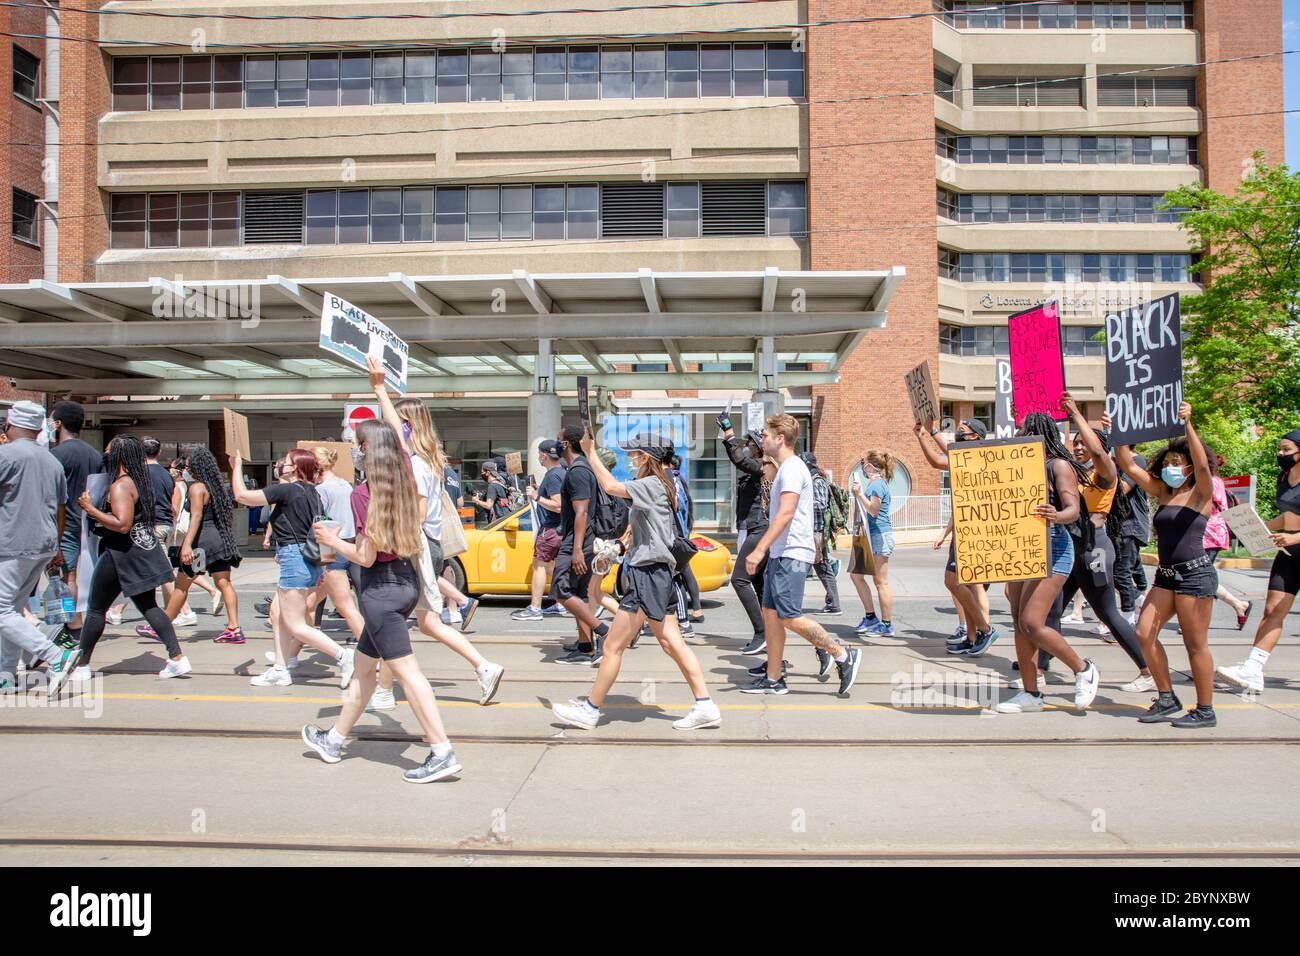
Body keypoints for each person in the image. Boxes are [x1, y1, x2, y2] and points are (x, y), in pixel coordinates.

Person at [304, 419, 462, 783]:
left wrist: (332, 539)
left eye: (358, 444)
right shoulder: (406, 483)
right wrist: (381, 393)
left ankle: (442, 751)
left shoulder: (364, 494)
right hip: (405, 584)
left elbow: (365, 557)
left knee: (408, 673)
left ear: (368, 451)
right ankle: (334, 740)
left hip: (380, 592)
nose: (355, 450)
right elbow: (403, 447)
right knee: (363, 671)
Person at [552, 433, 720, 730]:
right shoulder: (659, 484)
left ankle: (590, 709)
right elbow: (642, 527)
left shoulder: (653, 484)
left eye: (635, 453)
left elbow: (610, 486)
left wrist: (590, 453)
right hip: (656, 573)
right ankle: (705, 704)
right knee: (671, 643)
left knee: (612, 646)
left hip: (648, 575)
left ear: (647, 457)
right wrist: (619, 547)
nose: (630, 458)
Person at [367, 358, 502, 707]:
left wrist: (380, 388)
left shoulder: (415, 464)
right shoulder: (426, 460)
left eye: (399, 425)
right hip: (426, 546)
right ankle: (386, 688)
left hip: (419, 547)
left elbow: (421, 509)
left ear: (409, 427)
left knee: (392, 618)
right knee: (415, 621)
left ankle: (385, 690)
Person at [1036, 395, 1153, 693]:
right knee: (1051, 610)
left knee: (1107, 613)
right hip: (1070, 549)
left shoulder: (1105, 473)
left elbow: (1100, 452)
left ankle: (1148, 670)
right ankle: (1039, 667)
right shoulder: (1074, 472)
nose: (1078, 447)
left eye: (1083, 443)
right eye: (1075, 443)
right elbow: (1053, 450)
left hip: (1093, 549)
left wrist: (1076, 413)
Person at [741, 415, 862, 696]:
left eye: (766, 435)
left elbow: (785, 513)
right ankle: (774, 678)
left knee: (788, 617)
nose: (762, 440)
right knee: (771, 615)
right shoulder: (785, 468)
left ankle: (842, 654)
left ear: (780, 438)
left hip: (792, 554)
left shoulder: (793, 468)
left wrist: (759, 550)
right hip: (781, 553)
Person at [1115, 401, 1218, 727]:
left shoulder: (1200, 493)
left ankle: (1205, 710)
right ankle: (1166, 697)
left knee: (1194, 644)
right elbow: (1127, 464)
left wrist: (1188, 424)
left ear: (1188, 467)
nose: (1172, 466)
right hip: (1166, 576)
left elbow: (1203, 467)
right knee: (1144, 632)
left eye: (1178, 462)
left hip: (1195, 576)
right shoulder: (1162, 491)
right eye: (1168, 462)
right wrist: (1119, 430)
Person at [993, 411, 1100, 716]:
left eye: (1022, 429)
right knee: (1019, 622)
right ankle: (1031, 693)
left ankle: (1083, 668)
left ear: (1036, 433)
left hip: (1053, 546)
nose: (1017, 433)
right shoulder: (1016, 466)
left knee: (1032, 622)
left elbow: (1073, 509)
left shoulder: (1058, 465)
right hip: (1020, 546)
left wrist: (1056, 514)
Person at [233, 448, 356, 689]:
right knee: (277, 614)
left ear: (296, 468)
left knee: (295, 624)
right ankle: (280, 668)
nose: (281, 465)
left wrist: (237, 465)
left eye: (286, 462)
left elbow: (242, 496)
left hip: (294, 557)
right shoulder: (313, 492)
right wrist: (322, 567)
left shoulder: (287, 490)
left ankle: (343, 656)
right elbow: (323, 528)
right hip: (309, 559)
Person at [74, 435, 192, 681]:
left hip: (120, 553)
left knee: (96, 609)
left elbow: (122, 523)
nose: (105, 454)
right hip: (140, 550)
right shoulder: (141, 480)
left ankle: (81, 666)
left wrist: (90, 508)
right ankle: (177, 658)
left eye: (108, 450)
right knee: (149, 606)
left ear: (118, 455)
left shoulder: (121, 485)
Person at [0, 401, 80, 694]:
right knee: (11, 609)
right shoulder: (51, 461)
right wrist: (55, 545)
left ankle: (56, 656)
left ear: (9, 425)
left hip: (12, 543)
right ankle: (6, 675)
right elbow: (60, 510)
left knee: (1, 610)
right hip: (43, 545)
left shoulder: (5, 456)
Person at [1216, 428, 1300, 694]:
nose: (1280, 454)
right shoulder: (1284, 477)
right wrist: (1253, 527)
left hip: (1294, 543)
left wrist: (1295, 537)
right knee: (1272, 610)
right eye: (1279, 448)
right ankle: (1253, 669)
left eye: (1286, 449)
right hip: (1290, 555)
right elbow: (1288, 517)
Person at [137, 447, 245, 644]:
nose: (186, 470)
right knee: (224, 584)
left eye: (188, 467)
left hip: (201, 543)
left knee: (181, 586)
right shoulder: (217, 487)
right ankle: (234, 628)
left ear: (196, 467)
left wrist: (186, 545)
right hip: (219, 540)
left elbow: (196, 517)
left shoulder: (197, 488)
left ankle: (161, 628)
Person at [914, 418, 1000, 655]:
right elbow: (944, 455)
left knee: (954, 582)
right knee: (966, 585)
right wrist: (926, 434)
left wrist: (928, 434)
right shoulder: (965, 457)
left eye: (962, 431)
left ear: (975, 437)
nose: (958, 435)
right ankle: (971, 638)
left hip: (976, 531)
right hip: (965, 528)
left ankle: (985, 630)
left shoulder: (977, 458)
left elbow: (939, 459)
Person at [551, 424, 614, 664]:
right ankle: (586, 646)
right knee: (579, 593)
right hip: (583, 539)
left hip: (578, 541)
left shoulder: (578, 471)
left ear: (566, 444)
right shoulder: (581, 468)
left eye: (558, 439)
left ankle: (604, 631)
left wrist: (576, 549)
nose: (556, 443)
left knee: (561, 590)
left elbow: (582, 512)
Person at [48, 400, 102, 637]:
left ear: (58, 423)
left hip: (64, 525)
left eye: (51, 420)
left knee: (67, 576)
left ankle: (72, 625)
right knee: (80, 576)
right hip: (88, 524)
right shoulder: (94, 454)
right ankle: (73, 622)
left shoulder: (56, 455)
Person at [722, 425, 771, 653]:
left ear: (759, 448)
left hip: (760, 529)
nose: (747, 447)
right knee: (759, 584)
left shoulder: (764, 465)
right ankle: (769, 636)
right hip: (753, 528)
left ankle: (762, 632)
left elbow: (740, 461)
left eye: (751, 444)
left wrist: (729, 434)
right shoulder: (758, 467)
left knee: (739, 580)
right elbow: (740, 460)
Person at [512, 440, 567, 622]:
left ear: (544, 455)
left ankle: (535, 608)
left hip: (551, 528)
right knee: (551, 566)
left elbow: (558, 505)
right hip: (559, 528)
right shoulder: (561, 473)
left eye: (539, 454)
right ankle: (561, 603)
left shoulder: (553, 475)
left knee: (539, 565)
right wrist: (539, 491)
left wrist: (536, 497)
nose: (538, 458)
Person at [1200, 448, 1252, 628]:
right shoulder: (1209, 480)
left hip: (1210, 535)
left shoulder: (1212, 481)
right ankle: (1239, 605)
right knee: (1203, 576)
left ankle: (1197, 618)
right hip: (1203, 535)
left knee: (1201, 577)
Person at [849, 449, 897, 637]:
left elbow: (874, 510)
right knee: (856, 575)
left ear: (869, 466)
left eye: (863, 463)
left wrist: (860, 494)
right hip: (870, 535)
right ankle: (871, 617)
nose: (862, 467)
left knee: (881, 582)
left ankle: (886, 625)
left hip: (879, 535)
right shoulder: (876, 484)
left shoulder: (877, 485)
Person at [803, 452, 842, 616]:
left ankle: (834, 605)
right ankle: (833, 604)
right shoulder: (810, 481)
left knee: (814, 568)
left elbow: (821, 504)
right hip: (811, 532)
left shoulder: (817, 482)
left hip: (816, 533)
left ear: (809, 465)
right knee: (821, 569)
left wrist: (801, 501)